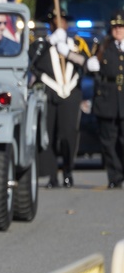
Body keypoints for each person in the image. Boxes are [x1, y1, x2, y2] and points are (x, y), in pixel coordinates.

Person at [29, 12, 87, 188]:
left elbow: (87, 63)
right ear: (51, 26)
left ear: (66, 24)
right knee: (49, 135)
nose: (59, 25)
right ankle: (52, 175)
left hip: (70, 93)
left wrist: (68, 53)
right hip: (48, 91)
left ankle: (68, 171)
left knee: (68, 135)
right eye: (55, 22)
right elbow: (31, 61)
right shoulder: (40, 43)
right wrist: (49, 42)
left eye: (61, 21)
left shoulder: (77, 43)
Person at [86, 10, 124, 189]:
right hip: (108, 98)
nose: (118, 30)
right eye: (115, 26)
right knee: (109, 140)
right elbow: (89, 68)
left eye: (121, 26)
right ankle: (115, 176)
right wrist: (91, 65)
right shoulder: (103, 46)